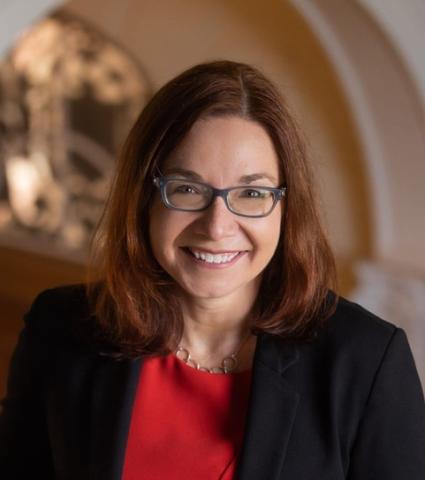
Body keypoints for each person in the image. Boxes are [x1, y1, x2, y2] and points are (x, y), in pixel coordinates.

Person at [1, 60, 424, 480]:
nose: (217, 226)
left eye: (252, 192)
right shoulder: (60, 330)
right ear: (143, 198)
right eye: (187, 188)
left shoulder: (366, 361)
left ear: (286, 207)